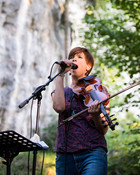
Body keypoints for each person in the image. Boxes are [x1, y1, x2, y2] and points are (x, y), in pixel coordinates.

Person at [51, 47, 110, 175]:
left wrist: (95, 116)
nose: (74, 59)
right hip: (65, 156)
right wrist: (60, 75)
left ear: (88, 67)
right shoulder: (62, 91)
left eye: (79, 57)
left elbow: (104, 129)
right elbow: (59, 107)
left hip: (93, 152)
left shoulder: (99, 92)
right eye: (72, 57)